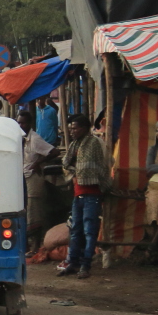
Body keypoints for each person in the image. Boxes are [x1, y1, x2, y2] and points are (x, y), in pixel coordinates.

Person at [58, 112, 110, 279]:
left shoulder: (93, 143)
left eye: (75, 128)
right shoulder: (75, 144)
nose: (72, 131)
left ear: (84, 128)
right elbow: (67, 164)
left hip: (92, 194)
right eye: (71, 128)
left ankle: (85, 265)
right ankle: (74, 263)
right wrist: (75, 171)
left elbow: (95, 168)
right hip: (79, 193)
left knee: (89, 231)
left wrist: (76, 171)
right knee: (75, 230)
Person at [20, 109, 55, 254]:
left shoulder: (35, 139)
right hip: (24, 177)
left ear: (29, 124)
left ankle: (35, 247)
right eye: (19, 123)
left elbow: (54, 151)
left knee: (34, 213)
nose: (20, 125)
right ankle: (28, 245)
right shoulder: (22, 139)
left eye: (23, 123)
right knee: (26, 212)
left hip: (34, 178)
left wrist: (38, 163)